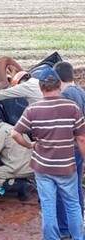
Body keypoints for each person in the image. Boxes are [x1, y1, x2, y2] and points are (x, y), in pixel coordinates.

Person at [11, 73, 85, 240]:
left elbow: (15, 133)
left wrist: (30, 145)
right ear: (59, 86)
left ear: (41, 88)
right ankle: (78, 237)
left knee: (48, 206)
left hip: (42, 167)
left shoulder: (32, 109)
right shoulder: (72, 107)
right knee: (72, 204)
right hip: (66, 166)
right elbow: (81, 138)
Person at [54, 61, 85, 238]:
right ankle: (78, 226)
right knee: (77, 188)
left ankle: (65, 229)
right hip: (79, 148)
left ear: (58, 77)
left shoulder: (65, 96)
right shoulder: (81, 91)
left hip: (67, 150)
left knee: (61, 190)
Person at [0, 110, 33, 201]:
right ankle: (22, 182)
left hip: (17, 166)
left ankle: (20, 186)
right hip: (31, 166)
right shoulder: (12, 127)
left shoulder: (1, 132)